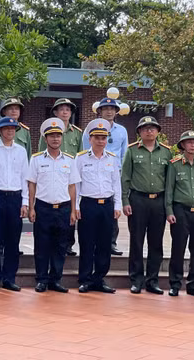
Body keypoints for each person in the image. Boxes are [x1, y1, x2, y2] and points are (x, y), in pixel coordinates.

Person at [121, 115, 173, 295]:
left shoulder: (166, 152)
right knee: (136, 241)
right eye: (145, 128)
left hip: (158, 201)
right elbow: (125, 178)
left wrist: (168, 207)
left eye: (152, 128)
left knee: (156, 242)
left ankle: (152, 280)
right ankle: (136, 280)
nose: (149, 131)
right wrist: (125, 201)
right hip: (138, 200)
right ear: (139, 132)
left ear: (158, 131)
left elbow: (169, 183)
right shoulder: (132, 151)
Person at [28, 118, 80, 293]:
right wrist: (31, 207)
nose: (55, 139)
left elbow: (72, 186)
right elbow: (32, 185)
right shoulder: (36, 159)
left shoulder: (70, 160)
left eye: (58, 135)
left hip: (63, 207)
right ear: (45, 138)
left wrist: (73, 210)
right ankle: (41, 279)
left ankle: (55, 279)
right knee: (42, 246)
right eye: (51, 136)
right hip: (43, 207)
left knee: (60, 246)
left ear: (62, 138)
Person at [0, 116, 29, 292]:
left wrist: (25, 202)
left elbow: (25, 177)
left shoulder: (21, 151)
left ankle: (9, 278)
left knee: (13, 240)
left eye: (13, 128)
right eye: (6, 128)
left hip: (15, 197)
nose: (10, 131)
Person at [76, 118, 122, 294]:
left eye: (103, 138)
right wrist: (76, 206)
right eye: (97, 138)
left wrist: (118, 205)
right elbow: (76, 184)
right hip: (88, 204)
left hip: (107, 205)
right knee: (87, 243)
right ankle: (85, 279)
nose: (100, 141)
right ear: (90, 139)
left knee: (104, 244)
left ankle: (99, 278)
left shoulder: (112, 158)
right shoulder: (80, 159)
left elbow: (116, 183)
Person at [165, 130, 194, 298]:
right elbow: (169, 190)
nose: (193, 145)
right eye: (189, 142)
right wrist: (169, 211)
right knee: (178, 247)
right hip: (180, 210)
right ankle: (175, 283)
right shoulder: (175, 164)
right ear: (183, 145)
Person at [82, 97, 129, 256]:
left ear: (116, 112)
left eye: (112, 109)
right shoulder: (89, 129)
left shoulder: (122, 130)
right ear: (99, 111)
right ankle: (94, 243)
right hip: (94, 171)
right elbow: (85, 151)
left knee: (112, 210)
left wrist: (122, 172)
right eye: (105, 108)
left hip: (113, 171)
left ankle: (111, 243)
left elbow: (124, 154)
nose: (109, 111)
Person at [38, 98, 83, 256]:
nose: (65, 112)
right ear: (55, 112)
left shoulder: (77, 133)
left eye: (68, 109)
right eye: (61, 109)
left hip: (68, 175)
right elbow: (40, 155)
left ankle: (68, 244)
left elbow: (80, 156)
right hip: (50, 174)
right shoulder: (47, 132)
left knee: (69, 209)